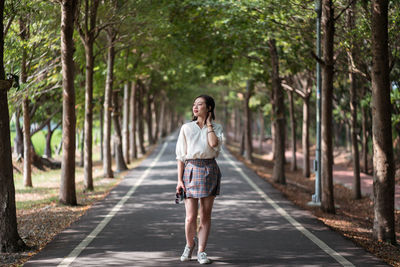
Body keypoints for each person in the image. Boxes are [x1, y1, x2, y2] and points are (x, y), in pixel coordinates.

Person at [175, 95, 223, 265]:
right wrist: (179, 180)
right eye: (194, 104)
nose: (195, 107)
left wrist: (208, 124)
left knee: (205, 216)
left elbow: (213, 144)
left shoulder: (216, 128)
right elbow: (181, 156)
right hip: (191, 169)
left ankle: (201, 251)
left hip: (210, 169)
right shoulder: (186, 128)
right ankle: (190, 245)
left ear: (209, 108)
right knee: (190, 217)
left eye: (200, 104)